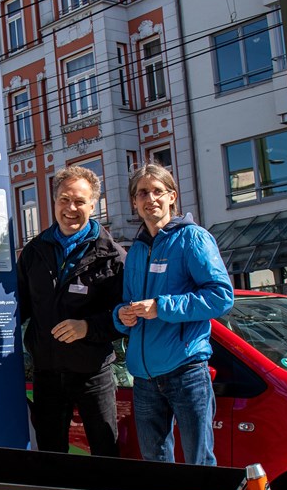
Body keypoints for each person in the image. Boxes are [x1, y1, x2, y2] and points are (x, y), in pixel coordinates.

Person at [114, 163, 233, 466]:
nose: (150, 198)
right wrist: (121, 316)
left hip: (187, 371)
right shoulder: (136, 250)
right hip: (143, 378)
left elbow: (221, 297)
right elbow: (127, 305)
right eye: (143, 192)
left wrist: (162, 307)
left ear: (172, 197)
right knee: (156, 467)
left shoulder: (193, 238)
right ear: (134, 201)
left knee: (198, 464)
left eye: (157, 191)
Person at [17, 165, 126, 455]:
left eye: (79, 201)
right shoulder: (34, 251)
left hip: (92, 372)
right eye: (64, 199)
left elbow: (126, 317)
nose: (71, 208)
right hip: (47, 373)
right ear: (54, 202)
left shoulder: (113, 256)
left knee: (106, 452)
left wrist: (88, 327)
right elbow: (19, 309)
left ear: (93, 204)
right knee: (51, 456)